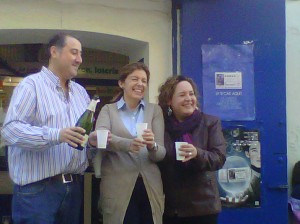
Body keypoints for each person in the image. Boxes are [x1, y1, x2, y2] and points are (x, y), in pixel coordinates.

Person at [1, 33, 91, 224]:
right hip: (37, 191)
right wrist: (57, 135)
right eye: (74, 52)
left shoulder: (81, 92)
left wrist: (94, 139)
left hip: (73, 187)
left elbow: (81, 135)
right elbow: (10, 131)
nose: (79, 59)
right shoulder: (30, 86)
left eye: (81, 54)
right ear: (54, 52)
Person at [93, 62, 166, 224]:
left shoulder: (155, 111)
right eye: (135, 79)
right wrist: (128, 144)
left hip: (150, 186)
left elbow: (160, 154)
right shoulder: (108, 110)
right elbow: (101, 138)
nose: (140, 84)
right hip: (117, 184)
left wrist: (152, 145)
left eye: (144, 80)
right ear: (121, 83)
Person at [158, 75, 226, 224]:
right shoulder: (160, 125)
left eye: (191, 93)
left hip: (204, 206)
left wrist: (197, 153)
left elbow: (219, 158)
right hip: (172, 207)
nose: (189, 98)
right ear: (169, 101)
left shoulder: (210, 122)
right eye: (182, 95)